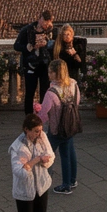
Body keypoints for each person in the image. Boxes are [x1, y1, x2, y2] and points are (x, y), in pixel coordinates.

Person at [38, 59, 80, 194]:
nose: (48, 74)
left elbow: (43, 114)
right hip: (70, 125)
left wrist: (36, 115)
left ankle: (50, 182)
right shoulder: (73, 84)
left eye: (50, 72)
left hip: (56, 128)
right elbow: (77, 101)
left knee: (48, 154)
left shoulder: (51, 92)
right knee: (69, 152)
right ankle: (72, 180)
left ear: (56, 74)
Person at [10, 113, 55, 212]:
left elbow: (51, 156)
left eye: (40, 130)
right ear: (27, 129)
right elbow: (19, 172)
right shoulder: (18, 147)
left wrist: (45, 162)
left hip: (42, 187)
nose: (39, 134)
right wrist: (38, 159)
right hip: (25, 192)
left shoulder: (42, 136)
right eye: (36, 131)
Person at [14, 11, 55, 114]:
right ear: (40, 19)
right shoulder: (27, 30)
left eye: (48, 22)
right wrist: (28, 47)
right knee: (30, 91)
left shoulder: (51, 31)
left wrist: (47, 44)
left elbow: (55, 46)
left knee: (45, 91)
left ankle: (44, 113)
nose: (46, 25)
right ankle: (28, 115)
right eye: (44, 22)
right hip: (31, 64)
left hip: (45, 64)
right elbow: (16, 46)